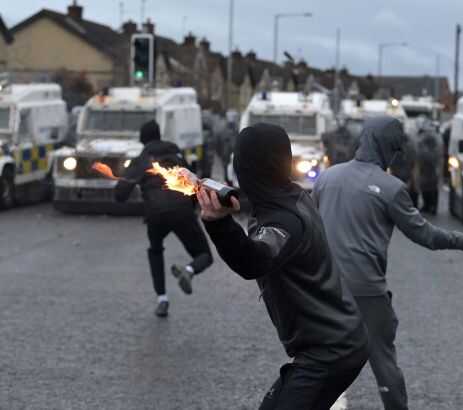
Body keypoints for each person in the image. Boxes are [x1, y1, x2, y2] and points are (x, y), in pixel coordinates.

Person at [312, 116, 463, 410]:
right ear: (389, 149)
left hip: (325, 287)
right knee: (383, 361)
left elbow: (311, 229)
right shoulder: (391, 188)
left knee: (318, 359)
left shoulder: (327, 178)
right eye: (396, 150)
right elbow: (426, 235)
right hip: (366, 290)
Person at [196, 123, 368, 409]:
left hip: (330, 352)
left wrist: (219, 223)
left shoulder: (284, 222)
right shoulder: (292, 195)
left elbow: (253, 261)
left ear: (249, 169)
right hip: (333, 344)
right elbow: (260, 199)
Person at [115, 120, 214, 317]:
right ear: (160, 135)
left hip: (155, 214)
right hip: (182, 210)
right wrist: (192, 208)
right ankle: (189, 270)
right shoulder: (176, 154)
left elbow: (120, 194)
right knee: (205, 255)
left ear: (143, 140)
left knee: (155, 250)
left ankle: (162, 299)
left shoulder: (142, 159)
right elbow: (193, 181)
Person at [415, 118, 440, 214]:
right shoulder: (428, 136)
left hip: (430, 163)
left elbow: (436, 150)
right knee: (425, 185)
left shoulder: (429, 136)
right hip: (426, 163)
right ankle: (428, 205)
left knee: (431, 185)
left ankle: (432, 206)